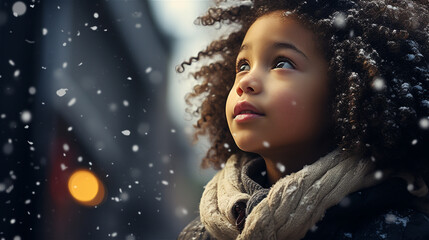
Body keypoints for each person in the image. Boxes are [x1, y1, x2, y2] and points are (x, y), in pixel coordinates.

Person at [177, 0, 429, 239]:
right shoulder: (200, 234)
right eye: (243, 65)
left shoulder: (399, 230)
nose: (246, 81)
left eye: (282, 63)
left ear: (348, 91)